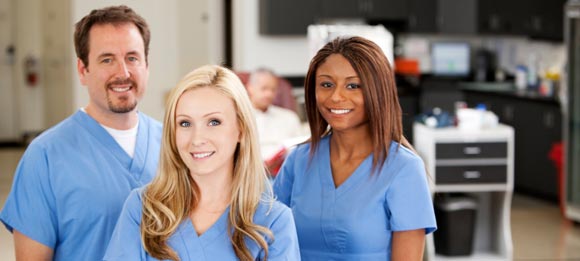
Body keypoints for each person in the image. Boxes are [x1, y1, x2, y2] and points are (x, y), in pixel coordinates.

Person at [0, 5, 162, 260]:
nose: (123, 72)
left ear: (147, 65)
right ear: (83, 70)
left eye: (132, 58)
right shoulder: (45, 157)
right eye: (107, 59)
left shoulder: (175, 145)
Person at [104, 65, 300, 261]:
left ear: (241, 129)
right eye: (185, 123)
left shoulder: (274, 221)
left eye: (214, 122)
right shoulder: (143, 209)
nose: (197, 139)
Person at [273, 36, 437, 260]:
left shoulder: (404, 168)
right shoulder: (298, 160)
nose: (336, 96)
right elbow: (270, 239)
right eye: (326, 84)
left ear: (377, 91)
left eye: (353, 85)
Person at [245, 68, 303, 174]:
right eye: (264, 89)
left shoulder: (289, 117)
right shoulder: (240, 117)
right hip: (251, 173)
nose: (269, 94)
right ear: (250, 88)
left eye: (273, 90)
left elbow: (300, 151)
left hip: (284, 172)